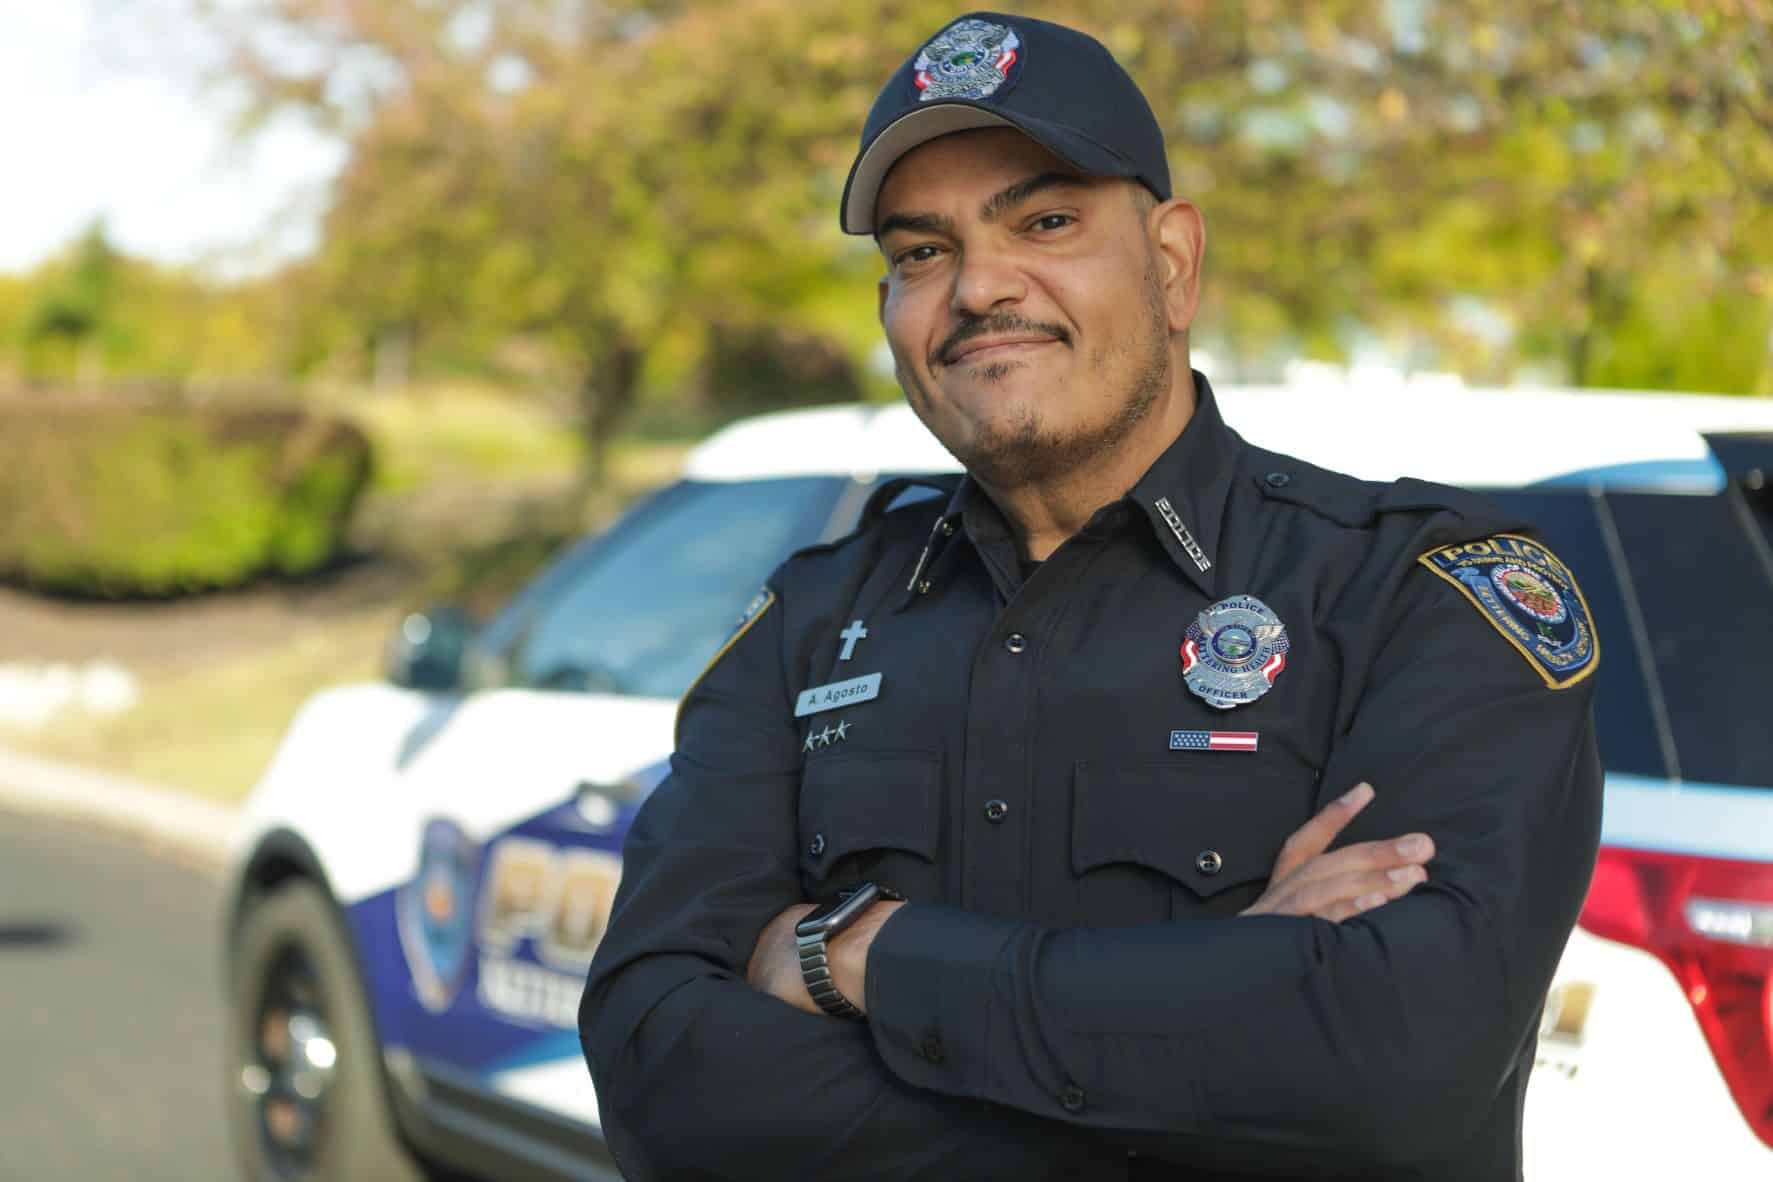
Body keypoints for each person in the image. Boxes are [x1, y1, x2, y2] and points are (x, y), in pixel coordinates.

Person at [580, 12, 1602, 1180]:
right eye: (920, 253)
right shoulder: (811, 626)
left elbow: (1393, 1061)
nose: (976, 287)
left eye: (1047, 221)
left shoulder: (1413, 597)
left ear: (1173, 264)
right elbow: (656, 1068)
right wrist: (1201, 1033)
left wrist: (852, 955)